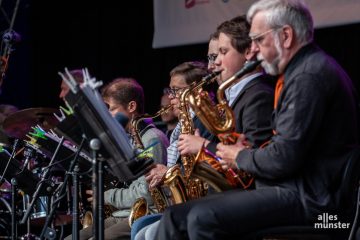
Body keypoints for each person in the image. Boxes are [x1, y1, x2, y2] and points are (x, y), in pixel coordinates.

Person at [155, 0, 360, 239]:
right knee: (175, 216)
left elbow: (283, 159)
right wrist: (246, 150)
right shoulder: (303, 70)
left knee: (200, 218)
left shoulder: (308, 76)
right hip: (299, 192)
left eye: (259, 40)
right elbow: (290, 149)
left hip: (318, 207)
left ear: (285, 36)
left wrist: (238, 155)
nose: (254, 50)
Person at [65, 78, 169, 240]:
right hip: (123, 213)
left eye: (112, 109)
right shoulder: (127, 139)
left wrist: (106, 196)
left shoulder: (152, 139)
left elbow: (146, 194)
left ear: (131, 107)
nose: (108, 117)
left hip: (144, 213)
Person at [131, 61, 212, 240]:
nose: (171, 97)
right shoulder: (182, 125)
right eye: (170, 90)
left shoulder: (204, 122)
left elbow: (204, 171)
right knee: (142, 229)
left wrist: (167, 173)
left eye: (176, 90)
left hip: (201, 203)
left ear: (195, 90)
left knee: (147, 233)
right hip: (181, 204)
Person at [177, 15, 274, 162]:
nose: (216, 61)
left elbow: (252, 159)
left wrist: (203, 146)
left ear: (248, 52)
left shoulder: (259, 96)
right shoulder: (238, 94)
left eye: (223, 52)